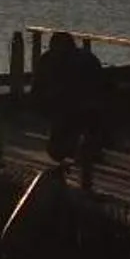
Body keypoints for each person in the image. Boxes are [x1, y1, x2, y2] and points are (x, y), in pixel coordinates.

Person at [30, 30, 110, 161]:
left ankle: (79, 147)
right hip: (75, 105)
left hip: (73, 106)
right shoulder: (86, 58)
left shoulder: (49, 59)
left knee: (68, 127)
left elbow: (37, 88)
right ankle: (83, 146)